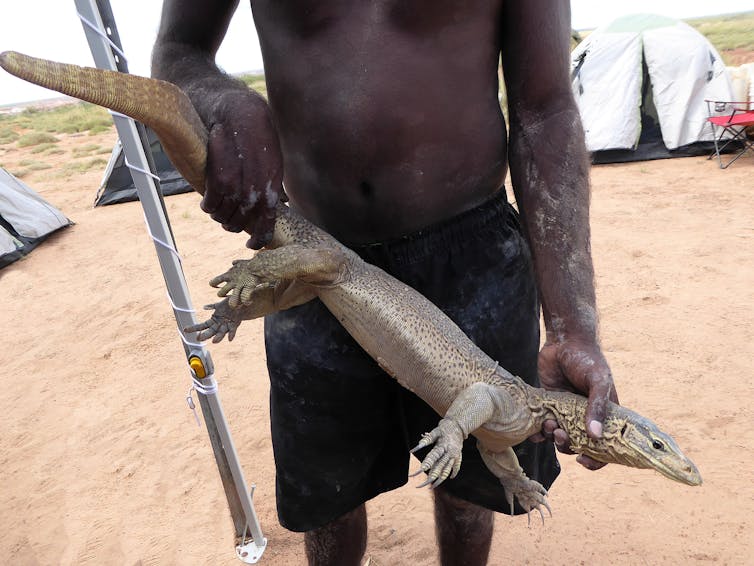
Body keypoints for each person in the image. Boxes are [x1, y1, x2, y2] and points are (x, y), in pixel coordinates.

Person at [152, 2, 618, 565]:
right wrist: (224, 99)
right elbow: (180, 51)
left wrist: (572, 325)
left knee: (472, 479)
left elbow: (544, 110)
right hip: (319, 257)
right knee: (328, 499)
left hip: (472, 256)